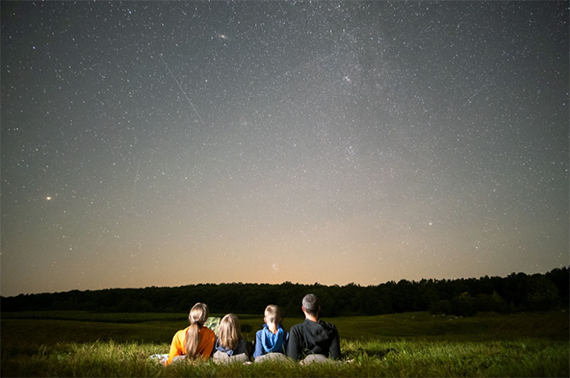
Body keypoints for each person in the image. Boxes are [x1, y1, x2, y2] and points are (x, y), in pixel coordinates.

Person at [286, 294, 341, 364]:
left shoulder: (296, 330)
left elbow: (292, 359)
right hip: (326, 366)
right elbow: (336, 357)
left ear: (303, 309)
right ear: (319, 308)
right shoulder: (331, 328)